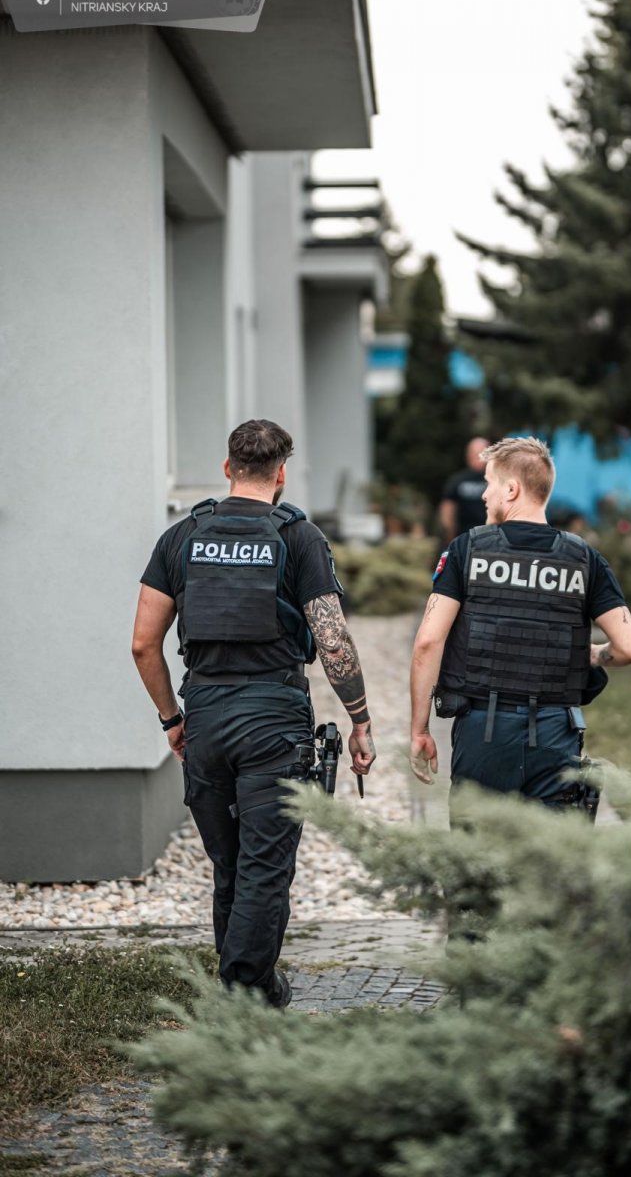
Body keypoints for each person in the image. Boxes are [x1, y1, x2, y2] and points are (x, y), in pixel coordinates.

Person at [132, 419, 376, 1007]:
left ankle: (249, 984)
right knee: (265, 866)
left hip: (206, 716)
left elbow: (143, 644)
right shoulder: (299, 538)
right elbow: (332, 640)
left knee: (231, 864)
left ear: (228, 468)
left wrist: (172, 720)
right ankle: (245, 992)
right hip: (274, 721)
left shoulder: (181, 538)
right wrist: (360, 719)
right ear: (281, 473)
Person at [410, 436, 631, 807]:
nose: (484, 494)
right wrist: (590, 654)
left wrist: (419, 729)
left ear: (511, 489)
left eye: (489, 483)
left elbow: (428, 642)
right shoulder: (585, 559)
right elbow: (630, 648)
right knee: (548, 844)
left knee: (477, 841)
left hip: (483, 732)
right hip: (556, 733)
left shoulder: (466, 550)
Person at [439, 437, 490, 542]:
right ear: (468, 455)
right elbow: (448, 507)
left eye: (482, 453)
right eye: (476, 454)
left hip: (491, 536)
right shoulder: (458, 480)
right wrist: (449, 532)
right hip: (463, 536)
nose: (479, 458)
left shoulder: (497, 480)